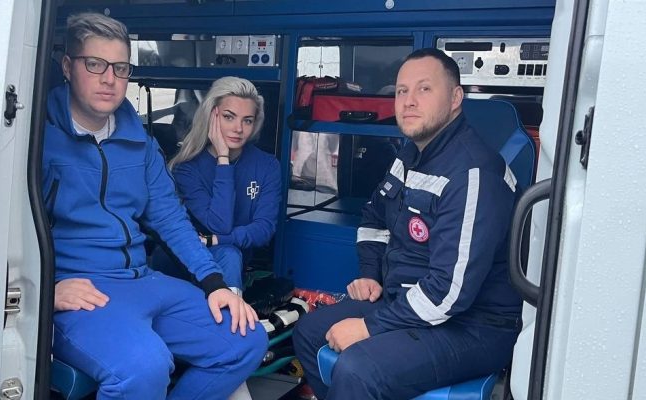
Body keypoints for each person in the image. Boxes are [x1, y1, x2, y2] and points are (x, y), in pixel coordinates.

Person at [42, 13, 266, 399]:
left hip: (140, 279)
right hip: (79, 287)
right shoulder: (36, 139)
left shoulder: (140, 143)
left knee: (246, 339)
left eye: (120, 68)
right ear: (67, 66)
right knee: (144, 367)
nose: (109, 79)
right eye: (94, 64)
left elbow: (170, 219)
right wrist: (47, 290)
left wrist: (214, 283)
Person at [292, 48, 522, 399]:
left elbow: (449, 292)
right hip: (404, 300)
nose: (409, 101)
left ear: (455, 98)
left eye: (424, 89)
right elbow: (375, 216)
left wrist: (369, 327)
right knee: (309, 332)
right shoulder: (410, 154)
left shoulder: (474, 173)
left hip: (473, 325)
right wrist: (370, 273)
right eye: (402, 91)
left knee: (358, 369)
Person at [159, 77, 280, 293]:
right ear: (212, 116)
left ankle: (229, 312)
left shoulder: (267, 166)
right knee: (228, 253)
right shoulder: (187, 169)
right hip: (184, 261)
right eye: (228, 117)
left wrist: (217, 239)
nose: (238, 128)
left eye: (247, 120)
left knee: (229, 253)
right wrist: (223, 159)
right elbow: (220, 224)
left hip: (232, 259)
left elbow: (264, 229)